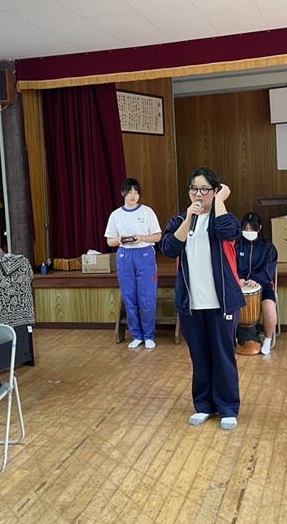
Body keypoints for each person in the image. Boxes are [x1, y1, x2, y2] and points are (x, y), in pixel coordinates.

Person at [160, 167, 244, 430]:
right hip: (191, 303)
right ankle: (204, 405)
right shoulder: (179, 220)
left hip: (222, 302)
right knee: (199, 356)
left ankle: (228, 407)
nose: (198, 194)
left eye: (205, 189)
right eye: (194, 189)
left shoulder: (224, 218)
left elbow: (228, 231)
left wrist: (220, 200)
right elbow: (169, 248)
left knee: (223, 355)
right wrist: (188, 218)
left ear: (214, 191)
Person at [104, 178, 162, 349]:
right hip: (125, 256)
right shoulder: (116, 215)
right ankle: (136, 335)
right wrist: (120, 239)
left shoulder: (147, 212)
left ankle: (149, 335)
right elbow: (109, 241)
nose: (133, 195)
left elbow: (157, 236)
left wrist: (141, 237)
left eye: (136, 192)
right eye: (130, 192)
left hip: (144, 254)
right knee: (129, 297)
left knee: (147, 297)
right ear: (123, 193)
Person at [236, 212, 278, 355]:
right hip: (239, 285)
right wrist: (239, 277)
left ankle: (267, 339)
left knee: (269, 307)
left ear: (259, 228)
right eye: (245, 229)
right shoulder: (237, 245)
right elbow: (231, 265)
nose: (248, 232)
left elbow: (269, 269)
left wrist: (256, 279)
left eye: (252, 229)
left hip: (263, 284)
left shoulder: (268, 247)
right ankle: (235, 337)